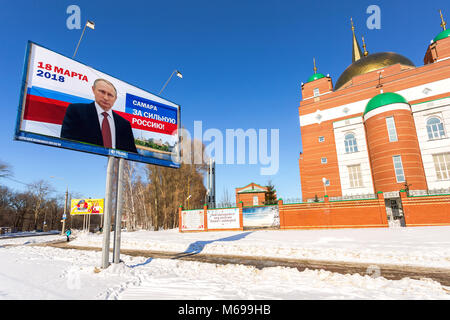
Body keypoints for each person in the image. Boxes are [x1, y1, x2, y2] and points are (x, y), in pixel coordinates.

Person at [60, 78, 138, 153]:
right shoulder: (76, 111)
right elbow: (66, 143)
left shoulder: (124, 124)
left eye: (110, 95)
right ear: (93, 90)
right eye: (102, 92)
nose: (106, 98)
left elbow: (132, 153)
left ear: (115, 98)